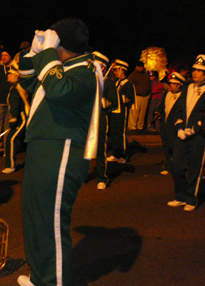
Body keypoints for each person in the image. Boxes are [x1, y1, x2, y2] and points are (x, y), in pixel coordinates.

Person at [17, 18, 101, 286]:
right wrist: (33, 54)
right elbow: (29, 83)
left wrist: (50, 55)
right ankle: (40, 276)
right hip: (45, 145)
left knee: (51, 222)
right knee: (35, 217)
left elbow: (61, 91)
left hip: (62, 149)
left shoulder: (87, 69)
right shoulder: (61, 67)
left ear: (62, 45)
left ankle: (53, 282)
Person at [168, 54, 205, 212]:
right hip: (181, 134)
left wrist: (194, 129)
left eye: (200, 70)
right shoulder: (187, 88)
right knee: (176, 166)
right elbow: (179, 111)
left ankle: (191, 198)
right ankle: (180, 196)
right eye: (194, 70)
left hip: (198, 136)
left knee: (194, 168)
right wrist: (179, 128)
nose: (195, 73)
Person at [93, 52, 119, 190]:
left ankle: (102, 178)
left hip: (100, 119)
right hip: (86, 119)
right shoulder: (89, 80)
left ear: (103, 67)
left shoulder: (108, 83)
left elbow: (115, 103)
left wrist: (105, 102)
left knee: (99, 149)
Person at [2, 60, 29, 173]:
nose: (8, 75)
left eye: (10, 73)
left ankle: (10, 166)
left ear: (16, 76)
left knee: (11, 139)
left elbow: (15, 107)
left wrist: (13, 121)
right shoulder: (15, 88)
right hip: (21, 118)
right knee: (24, 141)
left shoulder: (16, 89)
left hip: (22, 119)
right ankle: (30, 163)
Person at [107, 60, 135, 163]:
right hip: (114, 111)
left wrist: (118, 97)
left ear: (122, 70)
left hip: (122, 112)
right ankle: (115, 154)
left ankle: (122, 155)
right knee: (114, 133)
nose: (114, 72)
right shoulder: (116, 83)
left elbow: (131, 99)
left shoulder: (128, 84)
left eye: (116, 70)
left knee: (120, 133)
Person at [157, 72, 185, 175]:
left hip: (174, 126)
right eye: (171, 83)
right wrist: (158, 112)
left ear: (179, 85)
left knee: (174, 147)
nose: (171, 85)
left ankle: (177, 166)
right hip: (164, 125)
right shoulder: (166, 94)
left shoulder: (182, 97)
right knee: (166, 146)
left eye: (174, 84)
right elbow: (161, 107)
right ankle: (168, 166)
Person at [127, 61, 150, 131]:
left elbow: (149, 85)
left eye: (141, 66)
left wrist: (149, 94)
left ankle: (140, 126)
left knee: (142, 113)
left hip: (145, 96)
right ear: (136, 67)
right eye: (139, 66)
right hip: (136, 96)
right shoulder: (133, 75)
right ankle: (132, 126)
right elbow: (129, 85)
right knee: (134, 112)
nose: (140, 68)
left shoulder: (146, 75)